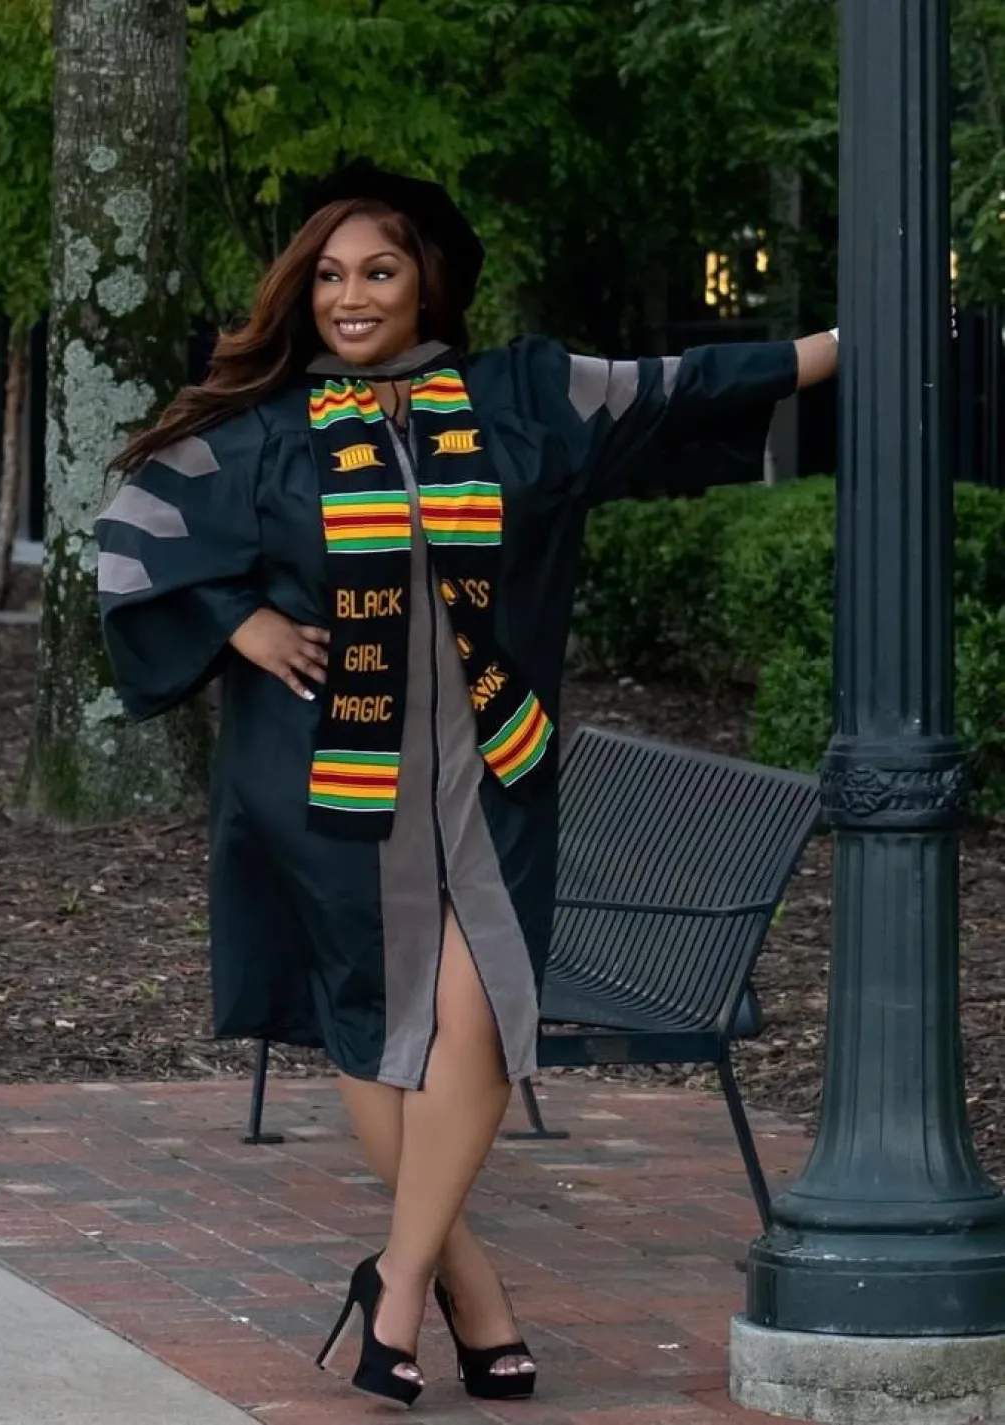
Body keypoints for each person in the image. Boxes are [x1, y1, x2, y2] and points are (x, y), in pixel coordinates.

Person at [95, 159, 839, 1408]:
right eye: (328, 276)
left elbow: (687, 384)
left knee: (481, 1015)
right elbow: (129, 535)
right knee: (383, 1029)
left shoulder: (523, 398)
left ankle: (394, 1289)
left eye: (377, 271)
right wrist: (241, 630)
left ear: (425, 282)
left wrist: (856, 334)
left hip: (490, 770)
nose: (349, 296)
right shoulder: (262, 428)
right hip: (325, 781)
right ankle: (467, 1292)